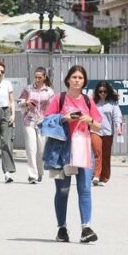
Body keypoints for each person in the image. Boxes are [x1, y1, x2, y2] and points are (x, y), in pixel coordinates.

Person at [44, 65, 102, 244]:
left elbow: (99, 125)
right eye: (74, 77)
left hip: (83, 148)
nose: (77, 80)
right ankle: (62, 228)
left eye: (80, 78)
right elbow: (46, 121)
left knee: (85, 189)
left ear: (84, 81)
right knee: (62, 191)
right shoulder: (58, 99)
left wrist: (89, 120)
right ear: (68, 79)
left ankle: (86, 227)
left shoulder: (88, 100)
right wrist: (64, 118)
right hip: (62, 150)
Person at [18, 67, 55, 184]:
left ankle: (39, 172)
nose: (37, 80)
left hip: (43, 122)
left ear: (44, 77)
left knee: (41, 150)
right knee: (31, 148)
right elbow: (19, 102)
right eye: (36, 77)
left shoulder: (49, 91)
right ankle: (32, 175)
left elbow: (54, 107)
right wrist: (26, 103)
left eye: (40, 77)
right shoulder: (28, 89)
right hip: (29, 121)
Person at [92, 81, 123, 186]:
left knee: (106, 155)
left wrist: (118, 126)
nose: (102, 94)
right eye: (100, 92)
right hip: (95, 130)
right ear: (97, 92)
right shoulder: (93, 102)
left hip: (108, 131)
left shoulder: (112, 103)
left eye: (105, 91)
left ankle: (104, 177)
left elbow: (117, 115)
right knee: (97, 152)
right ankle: (96, 175)